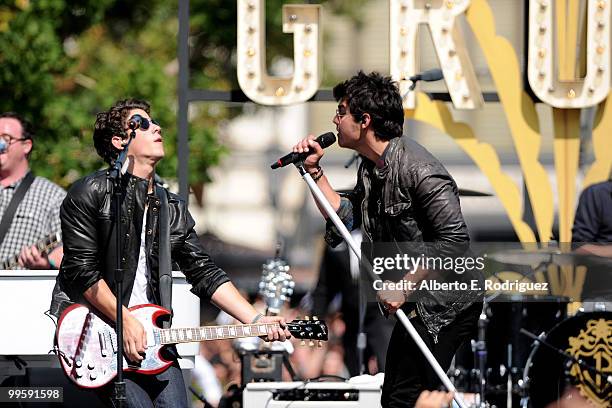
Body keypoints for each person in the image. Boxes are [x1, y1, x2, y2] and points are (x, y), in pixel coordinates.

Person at [52, 99, 290, 407]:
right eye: (144, 124)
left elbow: (204, 271)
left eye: (155, 122)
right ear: (119, 140)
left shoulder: (170, 206)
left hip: (154, 339)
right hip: (100, 335)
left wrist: (256, 319)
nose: (157, 127)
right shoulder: (90, 193)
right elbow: (82, 272)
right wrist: (125, 321)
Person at [291, 71, 481, 407]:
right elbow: (345, 216)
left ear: (364, 121)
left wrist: (404, 285)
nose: (334, 120)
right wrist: (315, 172)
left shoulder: (420, 169)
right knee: (396, 397)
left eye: (340, 111)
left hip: (447, 301)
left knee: (404, 397)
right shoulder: (370, 167)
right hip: (417, 300)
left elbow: (454, 240)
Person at [0, 112, 65, 269]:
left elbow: (70, 251)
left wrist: (45, 264)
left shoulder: (53, 196)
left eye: (6, 139)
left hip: (19, 291)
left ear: (26, 146)